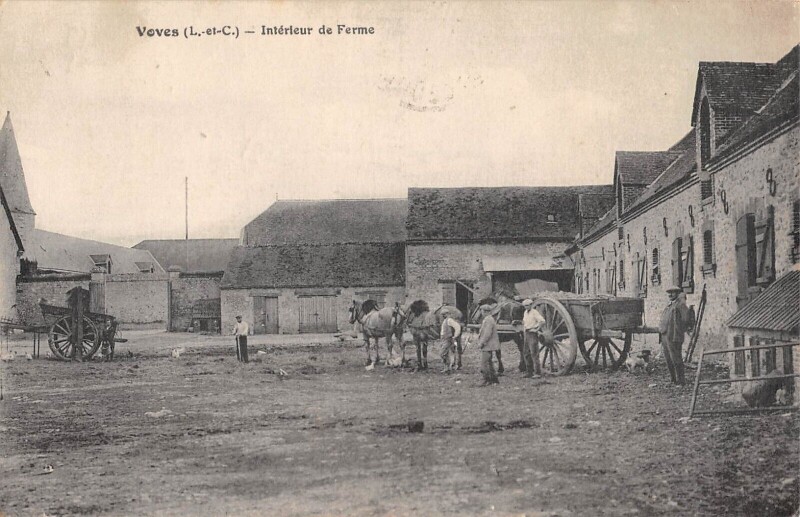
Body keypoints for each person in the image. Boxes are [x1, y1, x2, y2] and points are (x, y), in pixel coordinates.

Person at [659, 286, 692, 385]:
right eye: (669, 293)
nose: (670, 295)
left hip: (674, 336)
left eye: (672, 293)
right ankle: (673, 379)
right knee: (668, 358)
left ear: (677, 294)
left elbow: (686, 319)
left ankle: (681, 380)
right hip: (665, 335)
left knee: (676, 359)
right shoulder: (669, 305)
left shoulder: (680, 305)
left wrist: (680, 329)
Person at [477, 304, 501, 386]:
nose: (481, 312)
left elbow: (487, 333)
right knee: (489, 362)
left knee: (484, 363)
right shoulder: (488, 319)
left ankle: (486, 379)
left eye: (482, 311)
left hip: (488, 345)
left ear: (485, 312)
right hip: (489, 345)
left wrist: (481, 343)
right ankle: (494, 380)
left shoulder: (488, 320)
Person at [522, 299, 545, 378]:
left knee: (534, 353)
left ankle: (537, 373)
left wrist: (536, 329)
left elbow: (542, 321)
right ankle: (529, 372)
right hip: (527, 333)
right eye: (525, 306)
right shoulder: (525, 312)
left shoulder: (534, 312)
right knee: (526, 353)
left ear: (531, 305)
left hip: (532, 334)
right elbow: (525, 322)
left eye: (527, 305)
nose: (526, 307)